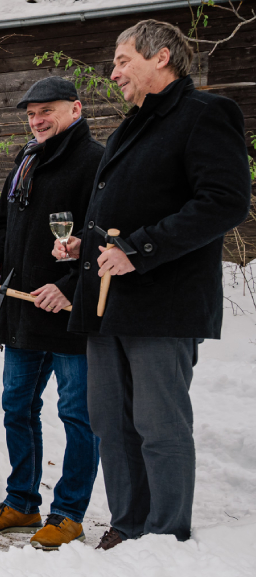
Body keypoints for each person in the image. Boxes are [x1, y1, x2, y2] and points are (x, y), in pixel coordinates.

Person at [54, 20, 251, 549]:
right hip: (106, 301)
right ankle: (127, 522)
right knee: (110, 421)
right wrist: (85, 245)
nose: (112, 71)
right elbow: (122, 207)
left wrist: (138, 250)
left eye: (122, 60)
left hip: (164, 302)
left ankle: (165, 533)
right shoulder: (130, 125)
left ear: (160, 56)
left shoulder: (206, 114)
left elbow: (225, 201)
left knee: (159, 423)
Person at [0, 77, 103, 549]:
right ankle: (23, 502)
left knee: (77, 414)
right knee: (16, 408)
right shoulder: (24, 162)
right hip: (23, 311)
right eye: (30, 113)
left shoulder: (95, 161)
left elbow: (103, 239)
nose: (37, 119)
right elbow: (7, 229)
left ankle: (68, 512)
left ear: (76, 108)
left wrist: (69, 288)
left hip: (69, 312)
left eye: (47, 109)